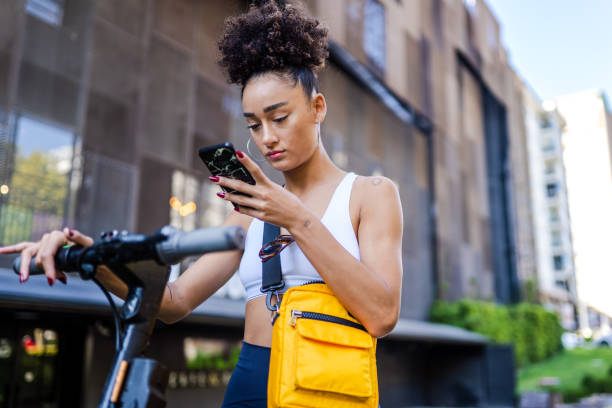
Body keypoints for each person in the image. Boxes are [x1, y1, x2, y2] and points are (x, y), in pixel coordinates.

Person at [0, 1, 403, 406]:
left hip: (325, 383)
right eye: (253, 124)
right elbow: (173, 303)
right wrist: (87, 258)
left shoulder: (370, 193)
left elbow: (381, 315)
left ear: (317, 108)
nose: (266, 138)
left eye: (279, 118)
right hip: (249, 382)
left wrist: (295, 218)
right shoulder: (250, 214)